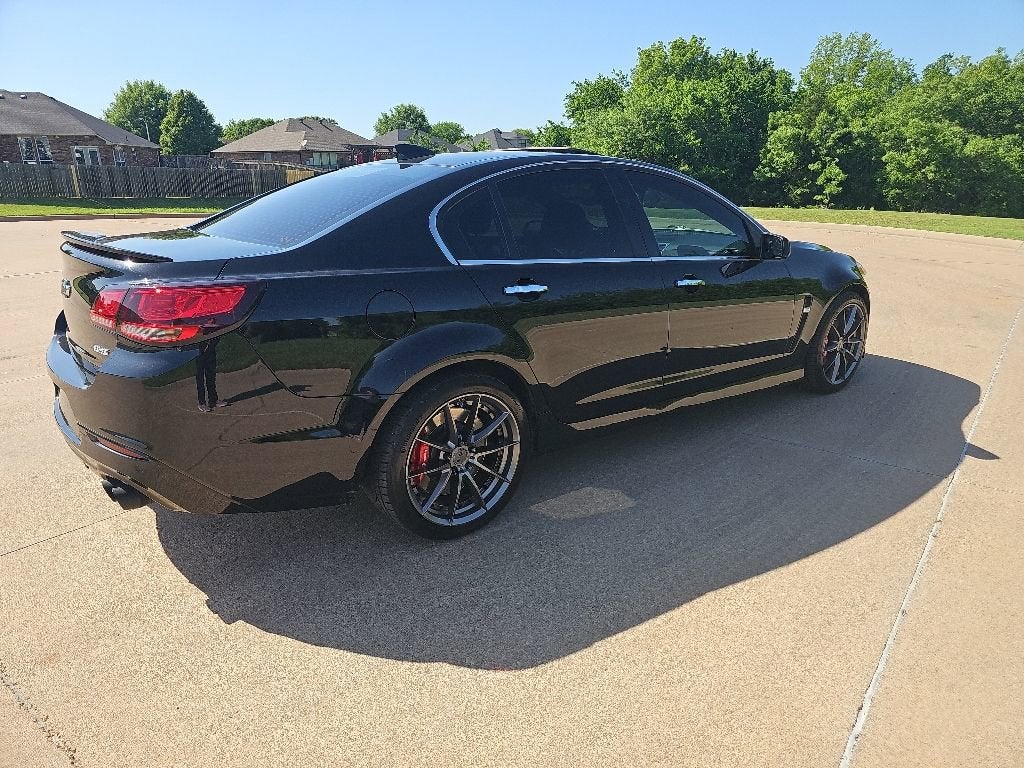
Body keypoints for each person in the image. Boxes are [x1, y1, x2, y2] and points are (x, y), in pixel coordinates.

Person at [195, 338, 226, 412]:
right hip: (199, 353)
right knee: (200, 379)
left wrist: (212, 344)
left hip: (210, 351)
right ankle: (202, 403)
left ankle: (213, 400)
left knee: (211, 377)